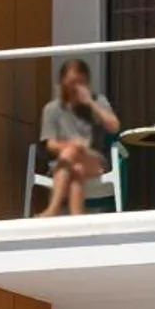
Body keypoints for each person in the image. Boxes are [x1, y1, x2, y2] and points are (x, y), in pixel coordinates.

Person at [37, 59, 120, 217]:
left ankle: (52, 210)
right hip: (63, 163)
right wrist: (72, 146)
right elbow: (51, 144)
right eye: (71, 83)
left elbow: (114, 126)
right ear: (63, 83)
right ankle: (77, 219)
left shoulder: (98, 101)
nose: (75, 88)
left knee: (73, 157)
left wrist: (90, 103)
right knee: (76, 168)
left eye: (80, 82)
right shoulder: (52, 109)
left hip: (94, 162)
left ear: (87, 82)